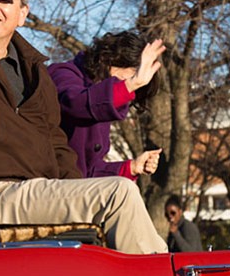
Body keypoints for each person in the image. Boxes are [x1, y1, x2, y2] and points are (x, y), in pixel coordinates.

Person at [0, 0, 167, 254]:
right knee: (117, 193)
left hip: (32, 194)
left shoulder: (35, 73)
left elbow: (57, 147)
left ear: (23, 14)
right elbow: (79, 103)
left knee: (108, 215)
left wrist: (79, 196)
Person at [48, 31, 164, 179]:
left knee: (125, 189)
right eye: (124, 81)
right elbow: (75, 103)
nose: (125, 90)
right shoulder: (63, 73)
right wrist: (131, 84)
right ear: (109, 60)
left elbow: (89, 170)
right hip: (44, 185)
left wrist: (132, 167)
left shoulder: (101, 102)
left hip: (72, 190)